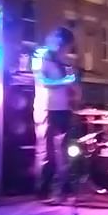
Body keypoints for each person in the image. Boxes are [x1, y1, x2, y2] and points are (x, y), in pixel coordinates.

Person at [31, 27, 79, 204]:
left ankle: (62, 189)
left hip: (62, 108)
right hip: (46, 108)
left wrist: (74, 89)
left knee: (62, 151)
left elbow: (71, 84)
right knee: (46, 150)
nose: (66, 51)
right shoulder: (40, 56)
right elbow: (42, 81)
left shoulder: (64, 61)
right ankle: (44, 189)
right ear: (58, 42)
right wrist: (64, 81)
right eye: (66, 47)